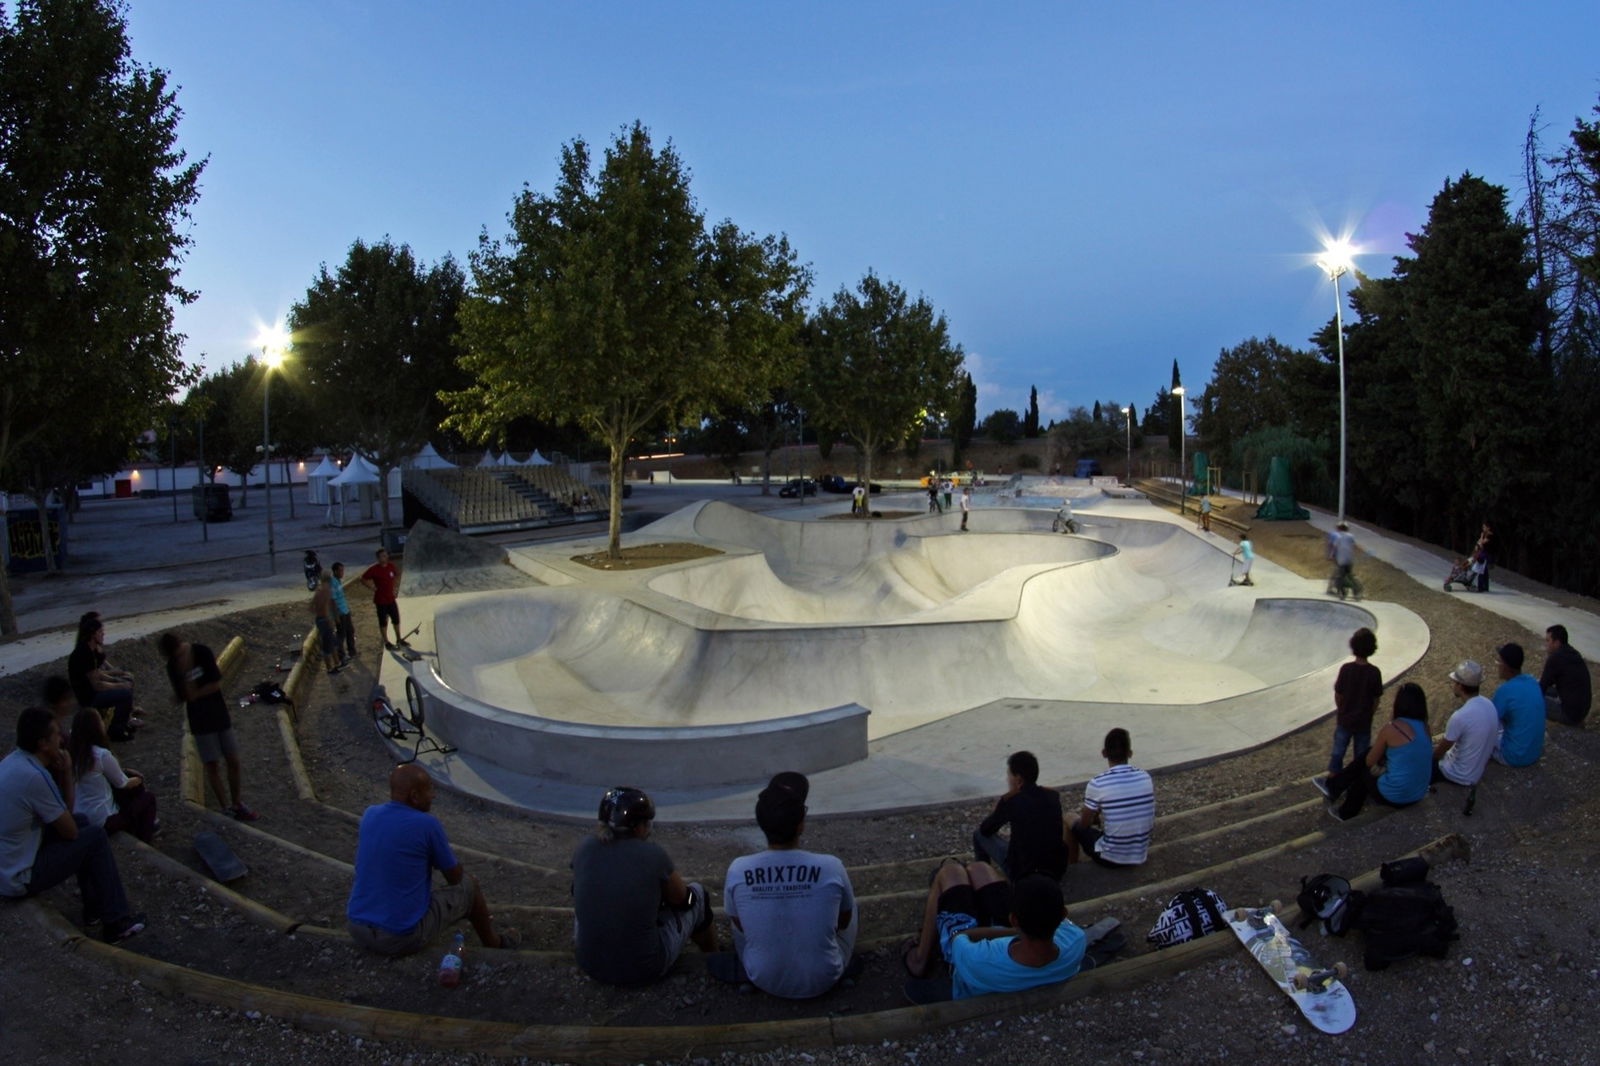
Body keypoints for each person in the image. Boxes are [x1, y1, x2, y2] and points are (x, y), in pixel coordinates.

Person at [0, 708, 145, 942]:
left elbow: (68, 819)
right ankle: (117, 922)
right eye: (56, 734)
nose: (61, 739)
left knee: (83, 821)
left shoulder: (13, 761)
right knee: (95, 836)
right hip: (17, 877)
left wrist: (66, 772)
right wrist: (67, 772)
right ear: (43, 743)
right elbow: (69, 831)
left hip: (8, 860)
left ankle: (93, 911)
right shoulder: (35, 776)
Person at [347, 764, 516, 956]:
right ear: (414, 796)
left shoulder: (370, 814)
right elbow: (454, 878)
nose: (433, 795)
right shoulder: (427, 825)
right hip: (398, 938)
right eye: (429, 789)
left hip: (357, 928)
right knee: (470, 887)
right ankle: (494, 943)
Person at [722, 780, 857, 998]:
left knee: (736, 910)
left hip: (762, 977)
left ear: (761, 824)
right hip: (824, 977)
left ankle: (756, 962)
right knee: (847, 900)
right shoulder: (831, 866)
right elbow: (843, 922)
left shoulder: (738, 869)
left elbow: (741, 926)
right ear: (800, 824)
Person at [572, 786, 712, 984]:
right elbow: (684, 901)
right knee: (699, 896)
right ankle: (712, 955)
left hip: (589, 963)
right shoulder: (653, 855)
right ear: (637, 827)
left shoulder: (584, 847)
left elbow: (576, 889)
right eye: (646, 823)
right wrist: (688, 897)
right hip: (643, 969)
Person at [901, 860, 1084, 999]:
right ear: (1063, 913)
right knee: (980, 868)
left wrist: (1013, 931)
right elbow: (1049, 923)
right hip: (1017, 931)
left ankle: (919, 959)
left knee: (950, 871)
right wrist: (1017, 930)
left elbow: (960, 936)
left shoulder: (981, 958)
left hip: (970, 941)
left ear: (1014, 919)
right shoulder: (1075, 940)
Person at [159, 632, 258, 822]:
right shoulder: (173, 666)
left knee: (233, 759)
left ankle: (237, 802)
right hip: (199, 720)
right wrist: (188, 689)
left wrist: (194, 693)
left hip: (217, 712)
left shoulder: (201, 652)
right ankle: (226, 807)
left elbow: (215, 683)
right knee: (211, 765)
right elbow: (182, 695)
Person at [1316, 682, 1434, 821]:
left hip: (1397, 796)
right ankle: (1334, 787)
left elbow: (1369, 761)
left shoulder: (1393, 728)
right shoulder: (1426, 728)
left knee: (1364, 772)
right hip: (1418, 793)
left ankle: (1345, 811)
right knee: (1370, 756)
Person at [972, 751, 1067, 882]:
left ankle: (984, 880)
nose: (1007, 779)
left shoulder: (1011, 801)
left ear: (1018, 779)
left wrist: (997, 810)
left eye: (1009, 775)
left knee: (978, 835)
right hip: (1054, 870)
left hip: (1023, 872)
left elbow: (986, 829)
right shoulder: (1052, 796)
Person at [1068, 728, 1155, 866]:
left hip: (1110, 858)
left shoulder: (1097, 783)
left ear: (1104, 753)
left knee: (1070, 818)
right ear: (1130, 753)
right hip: (1140, 853)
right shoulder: (1145, 777)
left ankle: (1073, 865)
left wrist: (1094, 815)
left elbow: (1084, 825)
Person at [69, 709, 158, 842]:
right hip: (103, 820)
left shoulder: (72, 752)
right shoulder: (100, 755)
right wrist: (139, 779)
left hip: (79, 815)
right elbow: (123, 783)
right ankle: (145, 838)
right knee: (147, 797)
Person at [67, 613, 139, 741]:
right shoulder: (84, 653)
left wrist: (115, 678)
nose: (103, 634)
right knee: (125, 694)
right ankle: (116, 730)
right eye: (100, 631)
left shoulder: (90, 649)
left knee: (126, 684)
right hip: (89, 697)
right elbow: (97, 685)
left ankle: (124, 723)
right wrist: (119, 685)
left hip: (92, 692)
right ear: (93, 634)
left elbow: (98, 674)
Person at [1323, 628, 1383, 777]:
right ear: (1372, 648)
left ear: (1353, 646)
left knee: (1338, 752)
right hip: (1364, 721)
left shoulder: (1346, 669)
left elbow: (1338, 694)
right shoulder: (1374, 672)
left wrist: (1342, 709)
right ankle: (1358, 781)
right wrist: (1369, 713)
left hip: (1345, 719)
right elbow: (1376, 699)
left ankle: (1332, 778)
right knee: (1361, 755)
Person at [1433, 660, 1499, 787]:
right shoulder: (1489, 705)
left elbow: (1440, 751)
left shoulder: (1460, 716)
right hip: (1475, 773)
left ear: (1460, 686)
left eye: (1454, 682)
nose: (1453, 685)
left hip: (1456, 774)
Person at [1491, 642, 1544, 767]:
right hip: (1534, 752)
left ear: (1504, 666)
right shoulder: (1532, 682)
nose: (1497, 665)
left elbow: (1488, 721)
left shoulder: (1505, 690)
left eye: (1498, 661)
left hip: (1513, 757)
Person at [1540, 624, 1591, 726]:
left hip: (1569, 715)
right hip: (1582, 711)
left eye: (1548, 641)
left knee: (1530, 699)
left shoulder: (1555, 658)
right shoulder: (1573, 653)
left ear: (1557, 642)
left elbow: (1541, 688)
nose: (1546, 644)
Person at [360, 547, 406, 651]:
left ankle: (399, 638)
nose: (386, 557)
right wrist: (371, 587)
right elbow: (363, 579)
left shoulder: (390, 566)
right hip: (381, 601)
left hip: (391, 599)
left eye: (386, 555)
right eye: (383, 556)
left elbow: (397, 574)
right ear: (378, 558)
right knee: (383, 622)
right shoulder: (374, 569)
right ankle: (386, 641)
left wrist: (395, 585)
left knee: (396, 620)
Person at [310, 573, 343, 675]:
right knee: (327, 646)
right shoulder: (326, 592)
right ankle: (330, 668)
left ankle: (337, 664)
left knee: (331, 643)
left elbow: (311, 608)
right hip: (325, 620)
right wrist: (329, 620)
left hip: (319, 620)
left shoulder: (318, 592)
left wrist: (318, 612)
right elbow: (325, 608)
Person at [329, 561, 357, 665]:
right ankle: (342, 656)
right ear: (335, 571)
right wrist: (336, 616)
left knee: (350, 631)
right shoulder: (332, 583)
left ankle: (352, 651)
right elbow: (333, 600)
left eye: (343, 570)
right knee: (341, 635)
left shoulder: (338, 581)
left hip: (345, 611)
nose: (342, 572)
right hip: (340, 613)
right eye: (340, 570)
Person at [1330, 522, 1362, 600]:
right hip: (1349, 560)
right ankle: (1356, 593)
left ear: (1340, 528)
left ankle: (1342, 593)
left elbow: (1335, 548)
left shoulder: (1339, 537)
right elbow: (1354, 546)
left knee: (1340, 577)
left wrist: (1332, 556)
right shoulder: (1351, 536)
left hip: (1342, 560)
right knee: (1350, 576)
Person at [42, 676, 77, 743]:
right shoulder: (49, 729)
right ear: (52, 703)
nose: (71, 703)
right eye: (65, 699)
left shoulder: (54, 723)